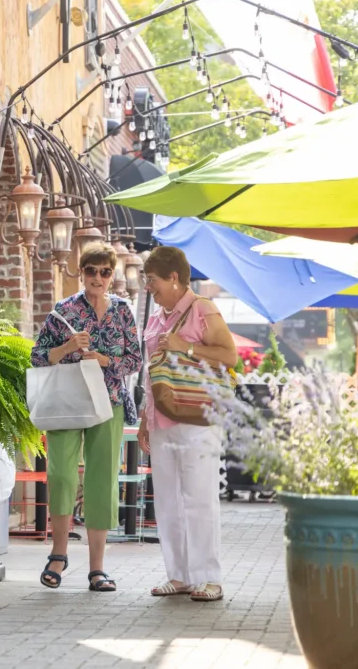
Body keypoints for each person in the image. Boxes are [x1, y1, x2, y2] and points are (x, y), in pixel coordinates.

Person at [31, 243, 141, 592]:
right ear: (82, 273)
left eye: (105, 272)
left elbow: (136, 360)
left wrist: (104, 359)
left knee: (101, 481)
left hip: (109, 402)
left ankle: (97, 569)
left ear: (113, 275)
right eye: (91, 271)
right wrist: (66, 348)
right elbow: (37, 358)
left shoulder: (123, 311)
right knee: (61, 475)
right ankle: (58, 555)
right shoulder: (63, 310)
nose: (98, 278)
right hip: (67, 401)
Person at [137, 246, 237, 603]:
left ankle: (209, 577)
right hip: (163, 418)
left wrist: (186, 347)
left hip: (198, 417)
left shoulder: (203, 310)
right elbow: (153, 373)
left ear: (174, 278)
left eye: (153, 280)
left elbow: (230, 356)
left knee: (200, 497)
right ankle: (177, 575)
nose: (150, 288)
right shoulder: (156, 317)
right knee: (167, 501)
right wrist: (147, 419)